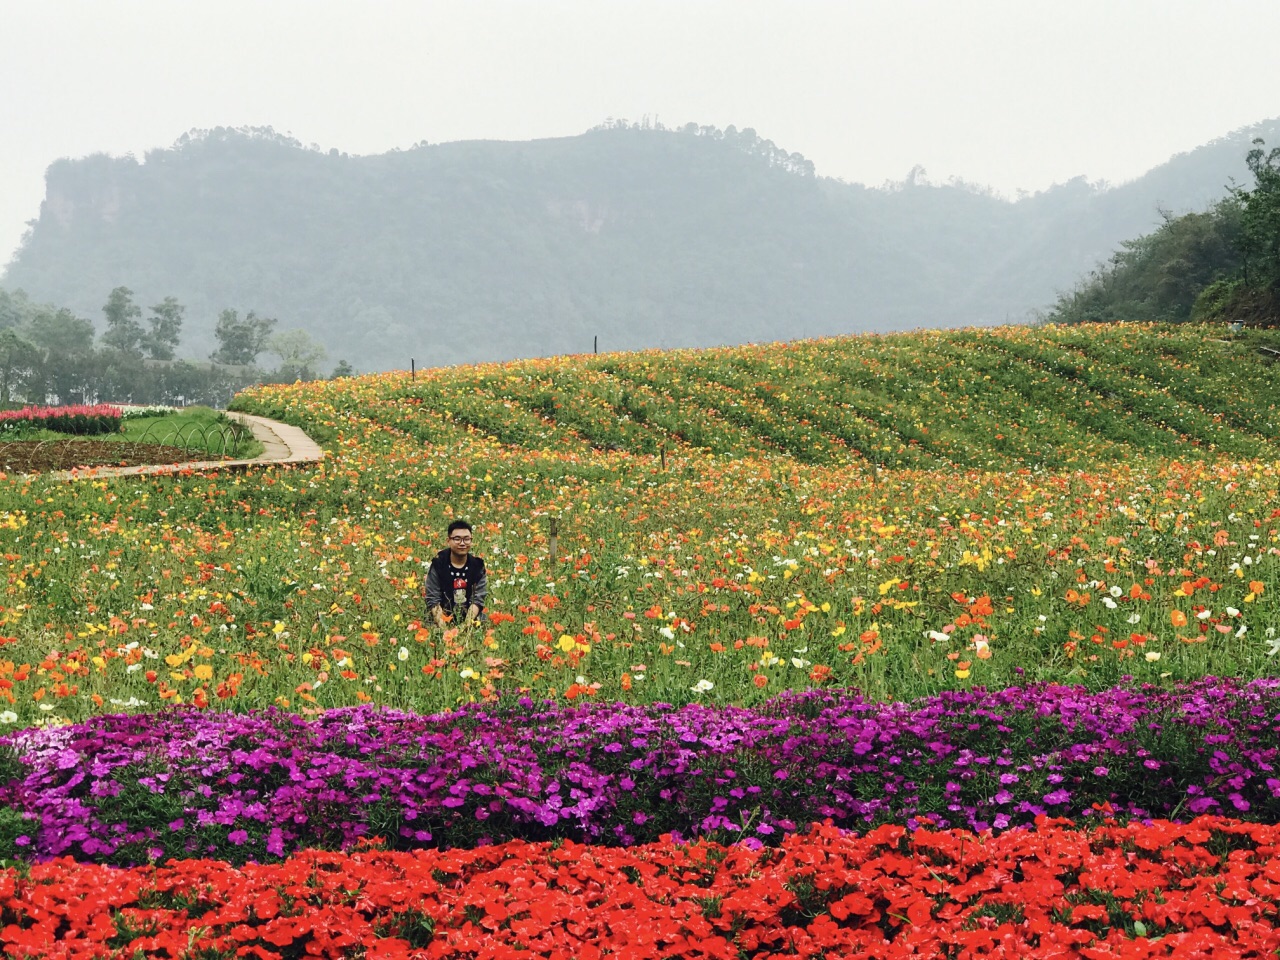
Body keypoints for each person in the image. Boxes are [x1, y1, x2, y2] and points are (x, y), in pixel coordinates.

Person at [425, 520, 487, 628]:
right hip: (440, 619)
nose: (462, 543)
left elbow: (477, 600)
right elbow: (433, 599)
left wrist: (464, 627)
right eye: (457, 539)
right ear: (448, 541)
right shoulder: (438, 564)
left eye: (466, 539)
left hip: (470, 619)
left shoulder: (477, 566)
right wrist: (445, 631)